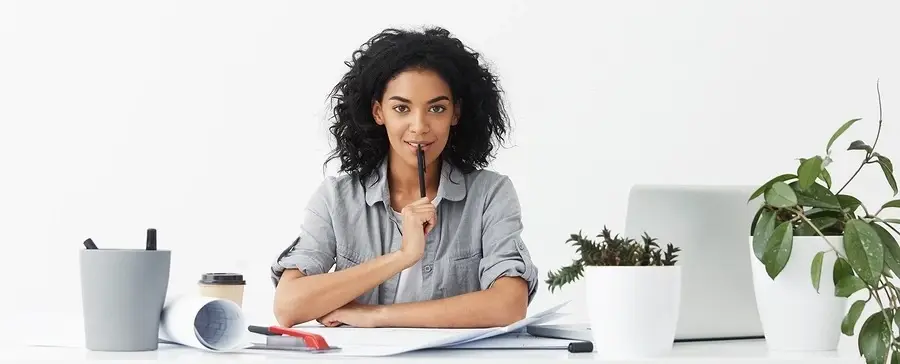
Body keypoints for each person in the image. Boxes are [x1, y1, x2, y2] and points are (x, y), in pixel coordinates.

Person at [270, 26, 538, 329]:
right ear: (378, 112)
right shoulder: (337, 199)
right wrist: (402, 256)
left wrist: (376, 316)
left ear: (456, 114)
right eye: (401, 108)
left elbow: (510, 305)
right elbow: (288, 306)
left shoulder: (490, 194)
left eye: (437, 108)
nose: (419, 126)